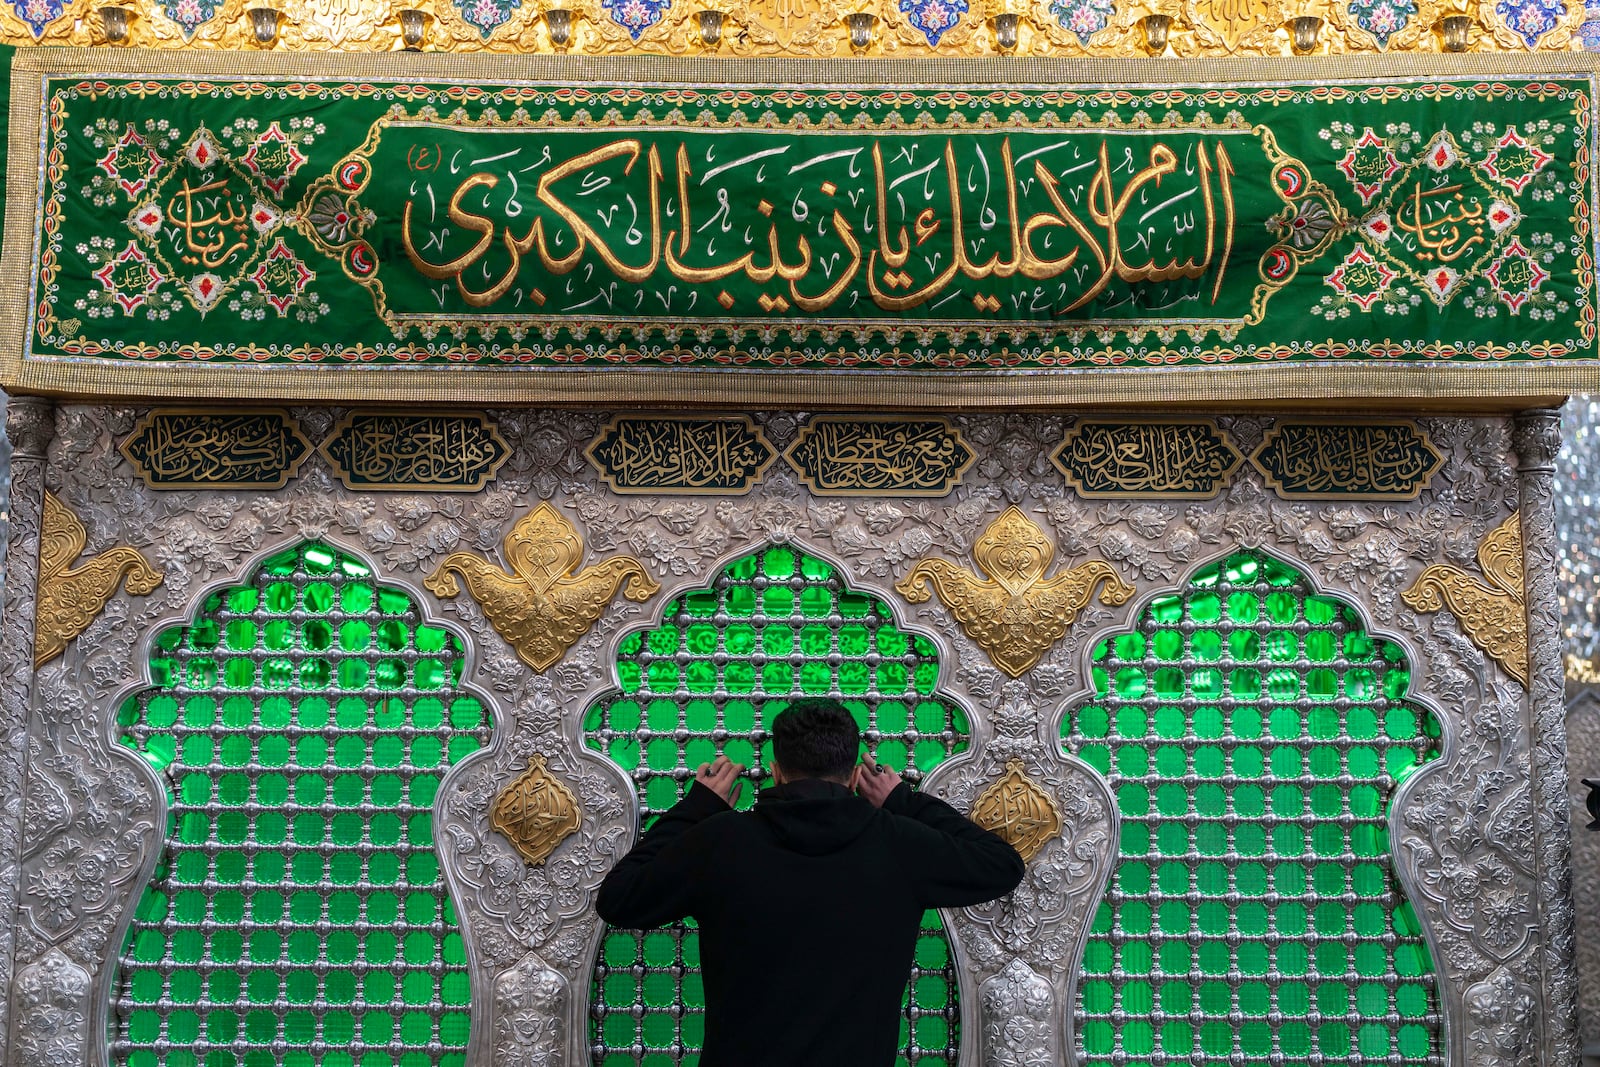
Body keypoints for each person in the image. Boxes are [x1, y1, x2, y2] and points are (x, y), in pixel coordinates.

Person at [596, 697, 1025, 1067]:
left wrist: (698, 808)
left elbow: (619, 898)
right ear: (855, 773)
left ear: (777, 772)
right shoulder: (897, 844)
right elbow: (1001, 865)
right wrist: (901, 800)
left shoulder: (721, 842)